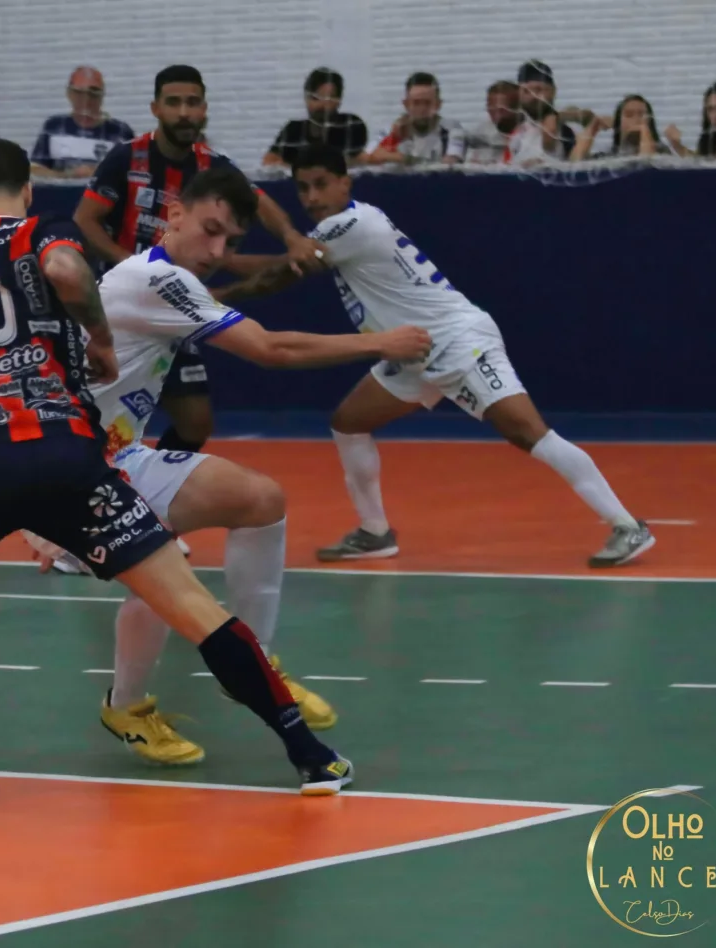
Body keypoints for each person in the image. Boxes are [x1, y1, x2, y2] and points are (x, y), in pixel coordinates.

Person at [0, 138, 354, 809]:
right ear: (27, 191)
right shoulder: (45, 232)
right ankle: (311, 755)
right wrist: (97, 342)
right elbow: (69, 272)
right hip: (72, 459)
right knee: (193, 607)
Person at [34, 166, 430, 762]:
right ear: (173, 215)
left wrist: (258, 287)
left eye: (232, 242)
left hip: (120, 459)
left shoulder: (162, 281)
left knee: (258, 500)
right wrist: (382, 343)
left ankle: (239, 665)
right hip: (71, 472)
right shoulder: (153, 279)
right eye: (210, 230)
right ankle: (147, 698)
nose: (217, 250)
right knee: (160, 571)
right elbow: (271, 349)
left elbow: (210, 306)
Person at [289, 145, 653, 567]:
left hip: (459, 341)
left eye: (321, 185)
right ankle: (374, 532)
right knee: (349, 423)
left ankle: (628, 527)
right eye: (302, 188)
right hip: (413, 348)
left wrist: (225, 271)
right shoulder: (342, 227)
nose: (312, 197)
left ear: (344, 184)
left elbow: (289, 266)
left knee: (527, 433)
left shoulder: (350, 223)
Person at [74, 64, 323, 514]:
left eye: (193, 102)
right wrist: (130, 267)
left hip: (177, 305)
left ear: (204, 109)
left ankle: (143, 508)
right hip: (122, 308)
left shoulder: (212, 166)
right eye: (174, 102)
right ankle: (89, 511)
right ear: (156, 108)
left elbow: (258, 202)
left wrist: (291, 242)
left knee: (194, 421)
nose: (184, 111)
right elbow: (84, 220)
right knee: (100, 417)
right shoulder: (127, 158)